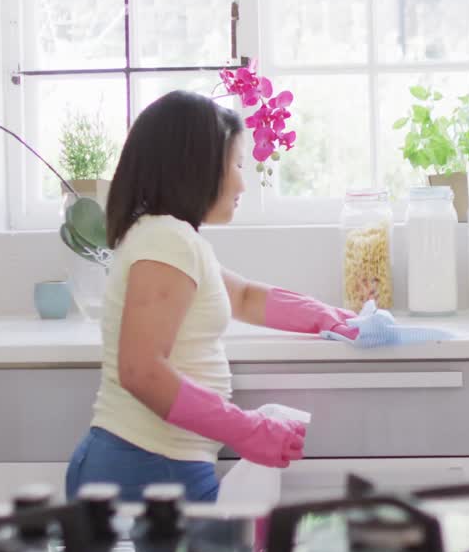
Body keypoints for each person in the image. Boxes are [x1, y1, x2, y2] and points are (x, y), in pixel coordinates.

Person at [65, 90, 363, 501]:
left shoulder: (171, 237)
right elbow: (141, 371)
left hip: (154, 464)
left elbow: (242, 297)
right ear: (198, 167)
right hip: (145, 467)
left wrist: (330, 318)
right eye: (238, 164)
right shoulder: (166, 240)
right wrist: (246, 430)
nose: (244, 180)